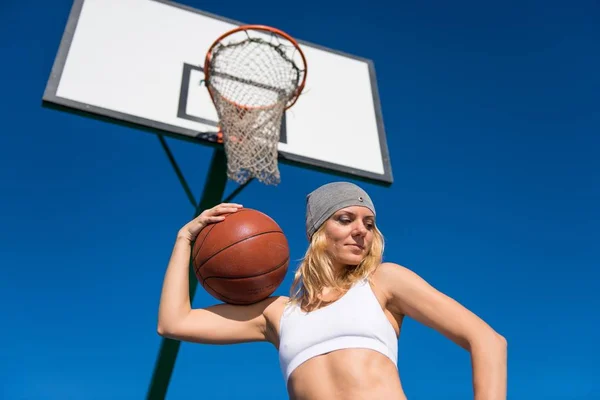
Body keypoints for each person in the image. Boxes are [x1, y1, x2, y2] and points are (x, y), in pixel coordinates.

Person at [157, 182, 507, 399]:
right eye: (345, 219)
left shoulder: (384, 283)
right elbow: (174, 322)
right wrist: (184, 238)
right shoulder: (277, 314)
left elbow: (488, 341)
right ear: (317, 232)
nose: (361, 231)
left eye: (369, 223)